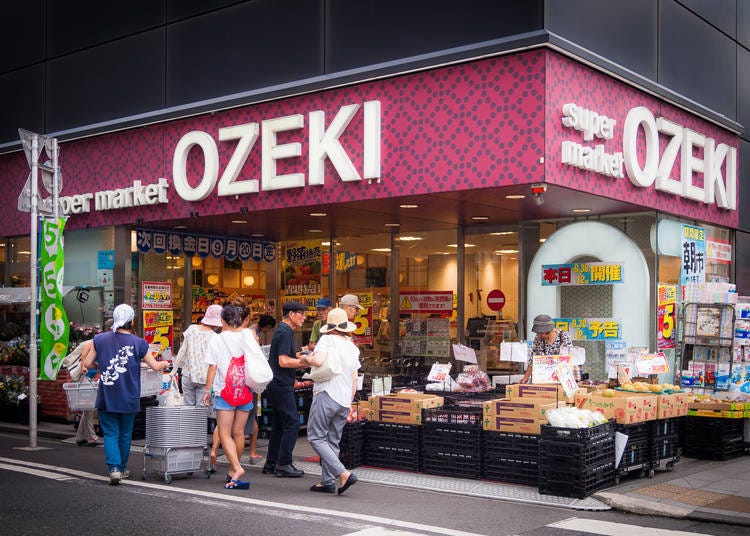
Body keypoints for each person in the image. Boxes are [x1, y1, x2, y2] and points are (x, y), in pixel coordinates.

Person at [82, 303, 170, 485]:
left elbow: (88, 363)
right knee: (125, 434)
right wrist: (164, 364)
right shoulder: (139, 343)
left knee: (110, 433)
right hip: (129, 394)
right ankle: (121, 468)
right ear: (132, 321)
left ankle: (113, 469)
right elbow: (154, 365)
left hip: (108, 394)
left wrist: (102, 365)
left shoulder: (100, 339)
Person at [202, 303, 263, 490]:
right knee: (238, 432)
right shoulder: (248, 337)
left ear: (222, 321)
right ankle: (232, 469)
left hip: (225, 391)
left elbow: (212, 367)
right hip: (245, 390)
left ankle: (236, 467)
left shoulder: (217, 340)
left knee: (224, 432)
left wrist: (207, 390)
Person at [302, 307, 361, 494]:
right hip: (344, 399)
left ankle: (343, 474)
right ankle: (327, 481)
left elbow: (318, 362)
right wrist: (350, 400)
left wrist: (306, 358)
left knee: (316, 436)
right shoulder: (352, 346)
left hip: (326, 393)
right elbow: (354, 376)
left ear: (330, 327)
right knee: (333, 440)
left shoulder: (326, 340)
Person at [262, 301, 310, 478]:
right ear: (291, 314)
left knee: (279, 424)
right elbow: (283, 361)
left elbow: (285, 358)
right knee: (292, 422)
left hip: (276, 383)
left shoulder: (283, 331)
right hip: (281, 384)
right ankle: (284, 463)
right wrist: (306, 362)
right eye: (301, 314)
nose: (304, 318)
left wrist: (300, 356)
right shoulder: (284, 332)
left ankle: (271, 462)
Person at [173, 304, 223, 406]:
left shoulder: (191, 329)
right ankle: (199, 422)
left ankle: (188, 423)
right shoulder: (215, 337)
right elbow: (215, 362)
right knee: (201, 410)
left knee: (188, 409)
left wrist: (174, 370)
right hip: (204, 377)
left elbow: (182, 352)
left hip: (188, 374)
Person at [246, 313, 276, 463]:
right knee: (252, 417)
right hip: (251, 381)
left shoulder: (249, 331)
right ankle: (252, 453)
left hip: (243, 382)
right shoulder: (251, 332)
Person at [520, 314, 573, 384]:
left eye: (540, 333)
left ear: (546, 332)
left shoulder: (563, 336)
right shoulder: (538, 338)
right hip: (542, 378)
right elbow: (533, 359)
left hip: (560, 379)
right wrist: (526, 377)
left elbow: (568, 360)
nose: (538, 335)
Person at [75, 340, 99, 447]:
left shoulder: (105, 342)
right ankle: (92, 437)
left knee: (88, 409)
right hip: (85, 377)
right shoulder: (93, 342)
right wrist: (83, 366)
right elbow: (84, 353)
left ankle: (80, 437)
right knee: (89, 407)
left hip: (91, 379)